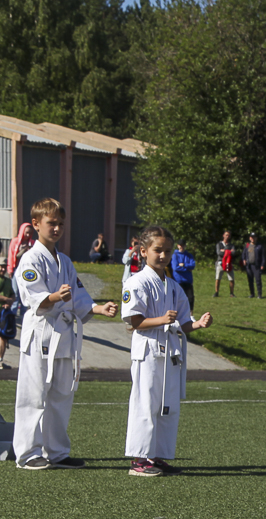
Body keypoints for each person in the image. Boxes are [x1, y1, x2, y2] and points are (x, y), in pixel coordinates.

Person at [12, 198, 118, 469]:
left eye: (61, 223)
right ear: (36, 224)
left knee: (60, 395)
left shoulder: (66, 262)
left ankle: (56, 452)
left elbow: (79, 298)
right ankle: (28, 454)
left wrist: (98, 307)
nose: (57, 228)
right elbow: (33, 299)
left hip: (64, 337)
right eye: (51, 223)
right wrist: (54, 296)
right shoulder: (30, 259)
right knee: (33, 396)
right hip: (40, 335)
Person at [122, 225, 213, 477]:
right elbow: (133, 321)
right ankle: (139, 458)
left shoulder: (173, 286)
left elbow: (184, 323)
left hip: (171, 352)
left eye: (167, 251)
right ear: (143, 251)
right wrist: (162, 319)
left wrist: (198, 324)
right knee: (145, 402)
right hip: (148, 350)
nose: (163, 255)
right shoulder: (136, 282)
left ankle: (157, 455)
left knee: (167, 404)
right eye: (157, 250)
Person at [170, 241, 197, 311]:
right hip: (178, 280)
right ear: (178, 246)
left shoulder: (189, 255)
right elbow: (175, 268)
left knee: (190, 298)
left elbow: (193, 265)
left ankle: (191, 314)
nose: (181, 247)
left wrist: (184, 265)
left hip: (188, 280)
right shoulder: (175, 255)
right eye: (180, 245)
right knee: (178, 299)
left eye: (183, 245)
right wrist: (187, 269)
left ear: (185, 246)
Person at [0, 264, 17, 368]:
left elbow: (13, 294)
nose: (2, 269)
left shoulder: (8, 281)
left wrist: (10, 301)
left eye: (4, 267)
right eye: (0, 267)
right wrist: (6, 299)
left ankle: (0, 359)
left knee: (3, 337)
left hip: (4, 313)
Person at [242, 232, 266, 299]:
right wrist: (244, 259)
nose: (253, 238)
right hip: (249, 265)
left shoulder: (259, 246)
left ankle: (259, 294)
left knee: (258, 280)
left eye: (254, 237)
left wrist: (262, 264)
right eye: (251, 237)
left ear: (256, 238)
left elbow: (263, 256)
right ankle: (252, 294)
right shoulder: (247, 245)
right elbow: (244, 253)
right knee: (250, 280)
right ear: (250, 238)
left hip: (256, 266)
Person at [214, 231, 236, 297]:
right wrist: (228, 252)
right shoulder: (219, 244)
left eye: (228, 235)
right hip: (220, 262)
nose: (227, 236)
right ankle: (216, 292)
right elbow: (219, 253)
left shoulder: (231, 245)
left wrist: (224, 251)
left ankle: (231, 293)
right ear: (223, 235)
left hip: (229, 263)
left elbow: (234, 253)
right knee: (218, 278)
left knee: (231, 278)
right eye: (226, 235)